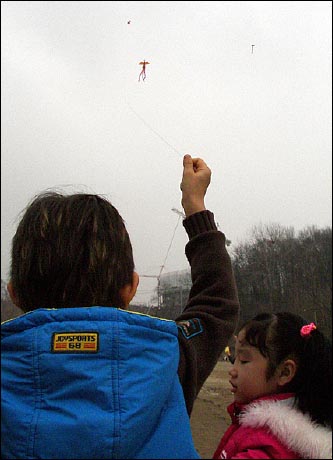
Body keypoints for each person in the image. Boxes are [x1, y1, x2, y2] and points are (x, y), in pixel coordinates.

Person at [1, 154, 240, 459]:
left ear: (14, 294)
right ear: (131, 288)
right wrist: (195, 205)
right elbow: (217, 302)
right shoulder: (167, 359)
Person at [213, 312, 332, 459]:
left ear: (284, 372)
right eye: (234, 359)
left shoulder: (265, 449)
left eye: (243, 360)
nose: (233, 371)